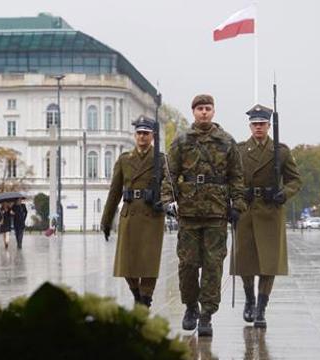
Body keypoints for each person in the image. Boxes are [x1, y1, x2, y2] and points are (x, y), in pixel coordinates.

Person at [161, 94, 247, 337]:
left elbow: (237, 176)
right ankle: (190, 307)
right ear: (194, 112)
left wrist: (238, 204)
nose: (204, 112)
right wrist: (168, 200)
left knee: (213, 266)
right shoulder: (182, 141)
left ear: (213, 111)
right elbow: (170, 174)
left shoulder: (227, 142)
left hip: (216, 213)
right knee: (188, 265)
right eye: (200, 108)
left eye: (208, 108)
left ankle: (207, 314)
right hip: (188, 213)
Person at [230, 104, 302, 329]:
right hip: (246, 209)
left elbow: (295, 180)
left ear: (269, 125)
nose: (258, 127)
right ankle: (249, 300)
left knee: (268, 263)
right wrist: (232, 203)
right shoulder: (240, 151)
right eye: (255, 124)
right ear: (250, 126)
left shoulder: (281, 151)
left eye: (262, 123)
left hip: (271, 211)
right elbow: (231, 179)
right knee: (245, 261)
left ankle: (261, 308)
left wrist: (284, 193)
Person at [101, 116, 166, 308]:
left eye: (146, 133)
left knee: (149, 262)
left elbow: (170, 186)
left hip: (152, 215)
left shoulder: (161, 160)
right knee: (126, 263)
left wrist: (164, 201)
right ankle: (136, 293)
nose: (142, 137)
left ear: (152, 136)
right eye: (139, 133)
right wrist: (106, 220)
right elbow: (114, 192)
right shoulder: (124, 160)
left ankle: (145, 298)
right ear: (135, 135)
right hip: (129, 214)